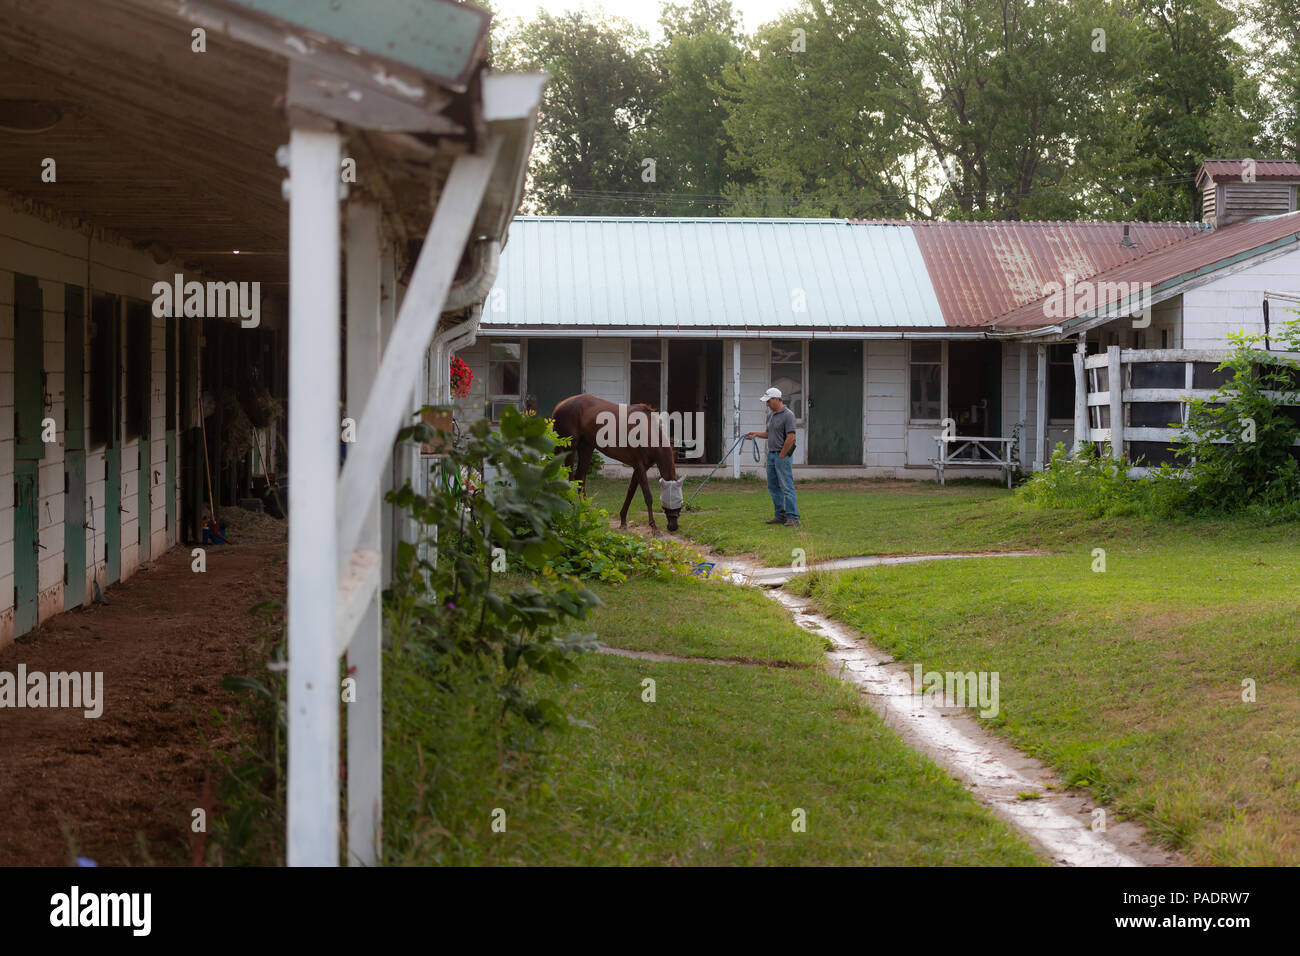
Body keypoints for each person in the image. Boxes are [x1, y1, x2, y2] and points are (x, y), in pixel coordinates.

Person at [747, 386, 800, 527]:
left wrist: (782, 455)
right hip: (771, 455)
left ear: (777, 399)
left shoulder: (788, 415)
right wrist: (756, 434)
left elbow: (791, 437)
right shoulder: (771, 416)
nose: (767, 404)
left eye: (769, 401)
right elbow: (769, 434)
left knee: (787, 487)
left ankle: (793, 518)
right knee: (773, 487)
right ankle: (780, 516)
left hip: (781, 456)